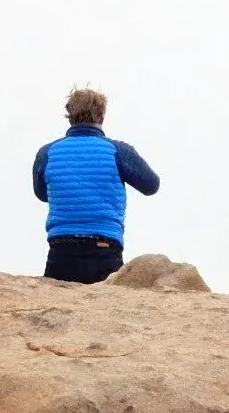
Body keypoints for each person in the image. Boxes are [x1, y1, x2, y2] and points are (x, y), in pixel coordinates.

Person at [32, 87, 160, 283]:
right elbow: (151, 185)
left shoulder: (47, 153)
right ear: (101, 116)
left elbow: (42, 194)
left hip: (61, 249)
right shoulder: (118, 151)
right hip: (104, 249)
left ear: (70, 116)